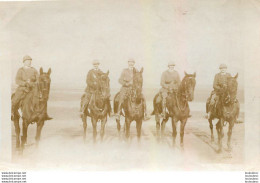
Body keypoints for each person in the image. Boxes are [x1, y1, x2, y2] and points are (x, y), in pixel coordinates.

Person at [11, 55, 52, 120]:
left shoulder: (34, 70)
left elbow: (38, 79)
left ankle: (44, 113)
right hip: (23, 88)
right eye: (28, 61)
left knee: (43, 98)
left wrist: (34, 83)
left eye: (30, 61)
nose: (29, 62)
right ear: (24, 62)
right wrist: (25, 83)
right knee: (16, 98)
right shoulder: (20, 70)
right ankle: (12, 112)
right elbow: (17, 80)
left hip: (33, 88)